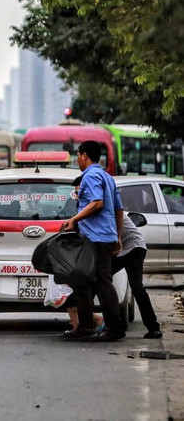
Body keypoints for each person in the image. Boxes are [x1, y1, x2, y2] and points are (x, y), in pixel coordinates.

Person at [61, 141, 126, 341]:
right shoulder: (107, 177)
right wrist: (118, 236)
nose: (77, 160)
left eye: (78, 156)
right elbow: (118, 210)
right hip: (102, 237)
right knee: (81, 281)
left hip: (96, 238)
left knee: (102, 282)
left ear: (84, 156)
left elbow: (97, 203)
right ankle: (85, 326)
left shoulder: (90, 176)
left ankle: (115, 329)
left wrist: (74, 219)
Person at [111, 210, 162, 338]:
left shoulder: (106, 206)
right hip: (131, 248)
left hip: (133, 247)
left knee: (103, 279)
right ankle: (153, 327)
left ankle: (113, 326)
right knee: (136, 288)